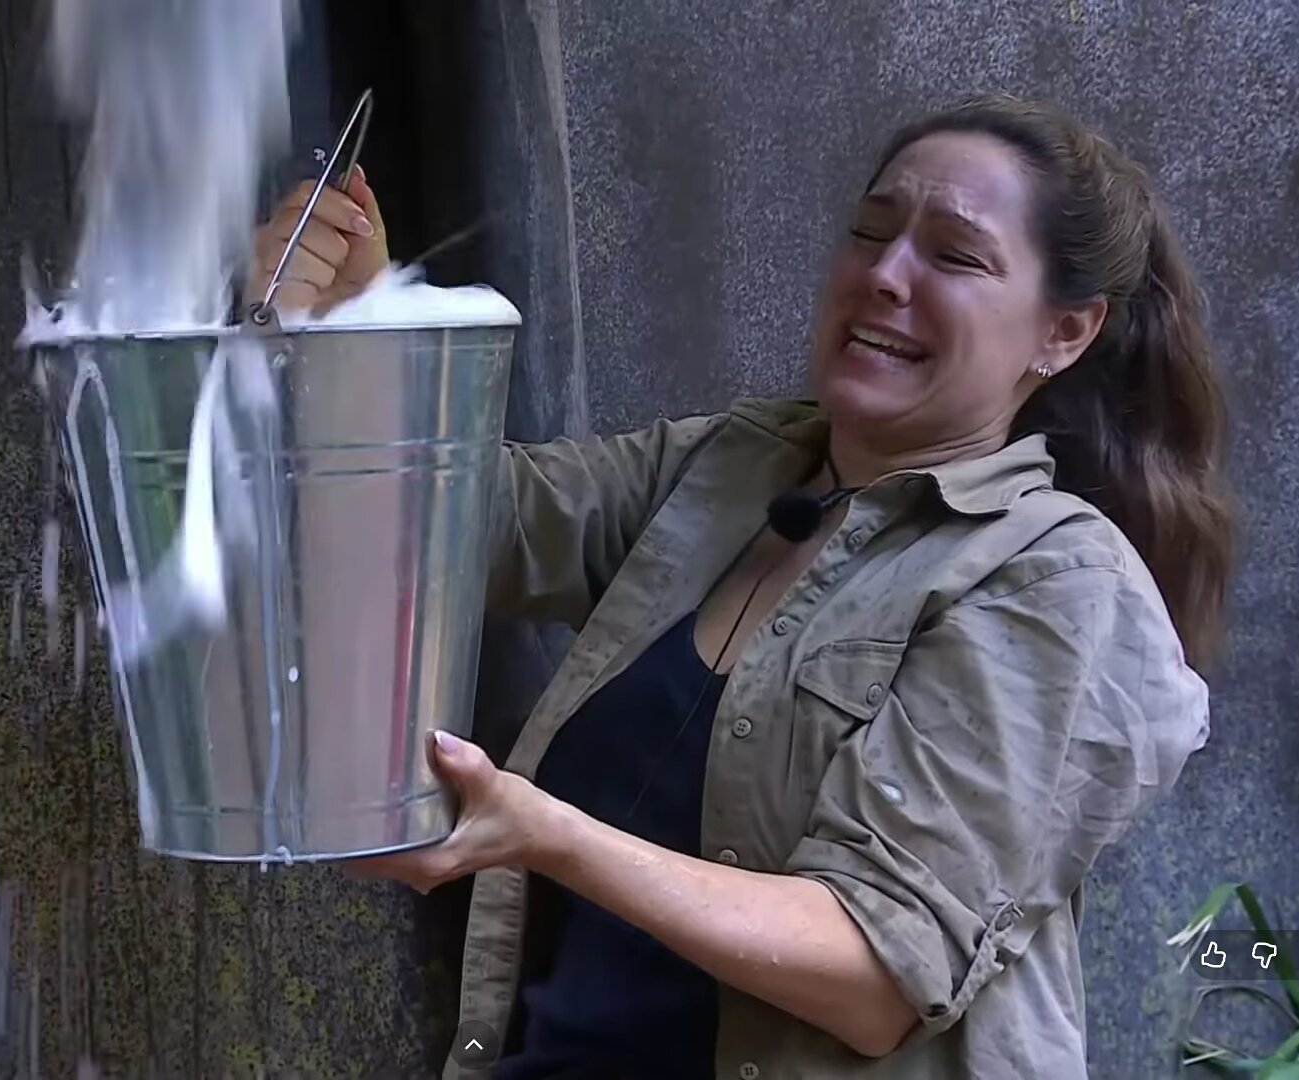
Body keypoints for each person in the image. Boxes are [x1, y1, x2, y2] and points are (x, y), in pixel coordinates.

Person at [249, 93, 1232, 1079]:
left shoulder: (1052, 577)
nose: (886, 275)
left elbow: (875, 971)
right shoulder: (729, 469)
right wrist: (360, 322)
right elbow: (444, 530)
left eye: (954, 255)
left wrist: (543, 835)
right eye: (870, 232)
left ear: (1065, 332)